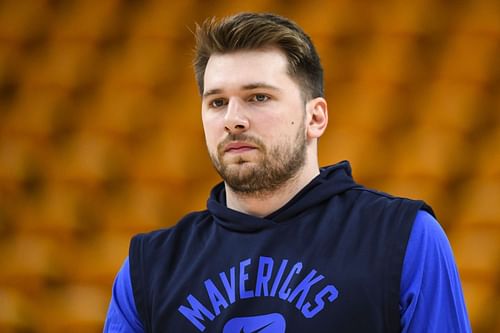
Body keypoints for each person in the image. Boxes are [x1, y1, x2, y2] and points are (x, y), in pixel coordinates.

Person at [103, 12, 471, 332]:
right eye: (217, 102)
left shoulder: (404, 238)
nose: (233, 120)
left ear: (315, 117)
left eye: (258, 97)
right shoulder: (149, 268)